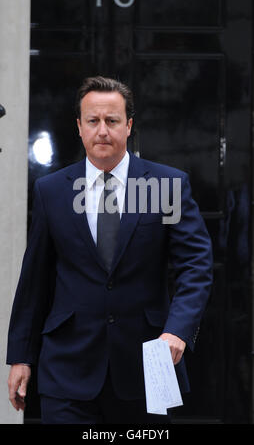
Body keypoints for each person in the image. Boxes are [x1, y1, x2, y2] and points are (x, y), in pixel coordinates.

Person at [7, 76, 213, 424]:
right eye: (93, 121)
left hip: (147, 368)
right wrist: (21, 357)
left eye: (112, 121)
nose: (102, 131)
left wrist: (178, 329)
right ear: (79, 127)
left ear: (129, 125)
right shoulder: (51, 190)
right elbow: (35, 281)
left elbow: (196, 265)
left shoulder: (166, 186)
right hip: (67, 369)